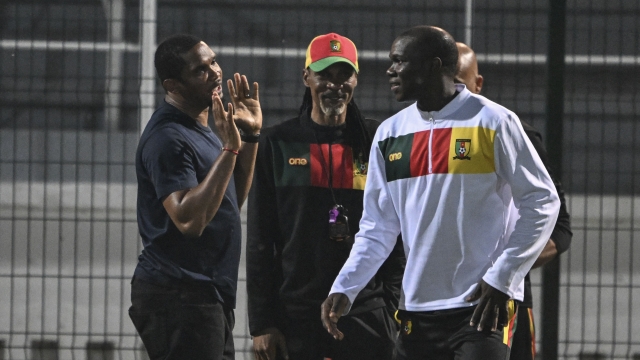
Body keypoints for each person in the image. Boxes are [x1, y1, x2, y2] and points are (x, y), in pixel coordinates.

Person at [320, 25, 561, 360]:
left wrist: (503, 276)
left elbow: (543, 201)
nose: (390, 69)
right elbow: (378, 228)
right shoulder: (390, 134)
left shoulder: (493, 122)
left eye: (399, 61)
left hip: (482, 307)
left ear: (433, 66)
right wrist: (346, 285)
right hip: (416, 309)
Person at [247, 33, 405, 360]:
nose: (335, 84)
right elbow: (261, 240)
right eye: (324, 75)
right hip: (296, 317)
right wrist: (262, 322)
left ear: (356, 79)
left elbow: (398, 232)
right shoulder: (277, 144)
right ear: (307, 77)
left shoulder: (378, 142)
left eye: (344, 75)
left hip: (364, 313)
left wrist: (390, 311)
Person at [129, 33, 262, 360]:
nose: (216, 72)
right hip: (179, 296)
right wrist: (230, 148)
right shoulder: (168, 137)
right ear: (173, 86)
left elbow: (228, 203)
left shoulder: (199, 129)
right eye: (200, 70)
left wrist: (250, 136)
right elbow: (189, 220)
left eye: (213, 61)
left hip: (203, 296)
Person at [454, 41, 573, 360]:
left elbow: (559, 229)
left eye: (458, 84)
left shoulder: (514, 135)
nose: (449, 95)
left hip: (501, 303)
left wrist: (499, 274)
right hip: (432, 304)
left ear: (478, 85)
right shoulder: (412, 138)